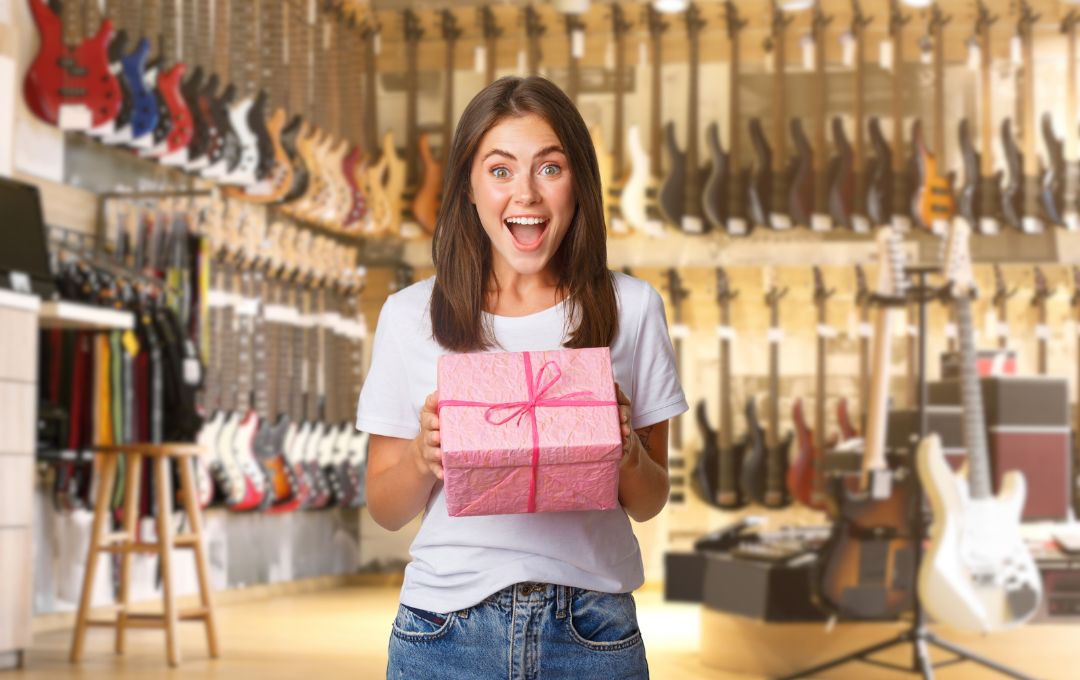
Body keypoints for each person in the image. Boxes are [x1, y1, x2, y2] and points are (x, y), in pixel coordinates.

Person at [356, 76, 687, 680]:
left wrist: (627, 450)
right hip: (444, 631)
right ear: (469, 189)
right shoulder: (408, 315)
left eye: (550, 168)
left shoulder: (634, 308)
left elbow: (650, 501)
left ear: (579, 184)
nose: (525, 194)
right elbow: (384, 506)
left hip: (594, 632)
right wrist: (422, 456)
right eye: (501, 170)